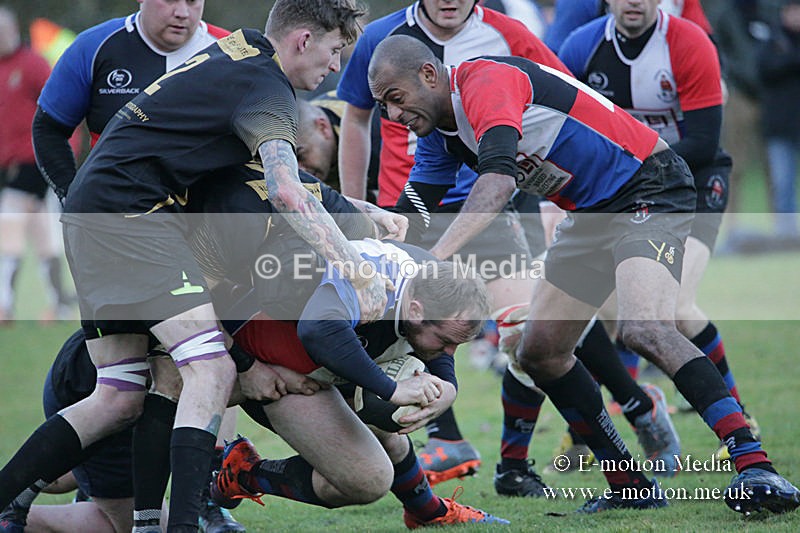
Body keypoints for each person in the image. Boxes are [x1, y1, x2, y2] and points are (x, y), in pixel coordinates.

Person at [0, 3, 400, 533]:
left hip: (92, 215)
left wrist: (363, 212)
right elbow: (285, 190)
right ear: (304, 40)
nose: (335, 66)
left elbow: (267, 178)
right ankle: (183, 526)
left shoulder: (239, 50)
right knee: (211, 369)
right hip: (133, 219)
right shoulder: (267, 87)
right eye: (334, 51)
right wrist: (359, 272)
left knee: (118, 395)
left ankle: (13, 504)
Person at [367, 34, 800, 515]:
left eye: (396, 98)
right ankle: (630, 486)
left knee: (644, 328)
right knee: (539, 352)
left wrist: (434, 259)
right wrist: (371, 253)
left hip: (647, 186)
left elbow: (498, 181)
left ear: (429, 75)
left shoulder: (484, 81)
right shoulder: (440, 134)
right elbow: (416, 212)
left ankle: (754, 463)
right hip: (590, 214)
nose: (393, 115)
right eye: (383, 106)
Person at [337, 0, 574, 488]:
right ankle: (445, 440)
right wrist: (356, 212)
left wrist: (552, 196)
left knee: (525, 332)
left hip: (491, 203)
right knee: (408, 327)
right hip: (413, 207)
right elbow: (356, 121)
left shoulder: (510, 35)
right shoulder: (379, 38)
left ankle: (515, 463)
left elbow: (561, 103)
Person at [26, 2, 244, 531]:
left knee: (209, 359)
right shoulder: (95, 48)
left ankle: (203, 502)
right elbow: (48, 128)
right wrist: (77, 199)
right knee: (127, 381)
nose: (183, 11)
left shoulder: (228, 50)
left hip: (198, 242)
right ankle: (86, 486)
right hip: (118, 237)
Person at [559, 0, 761, 463]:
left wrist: (627, 166)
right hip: (622, 189)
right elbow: (567, 128)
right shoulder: (581, 47)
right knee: (609, 308)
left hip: (694, 181)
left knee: (674, 305)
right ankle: (627, 410)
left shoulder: (690, 43)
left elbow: (704, 142)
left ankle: (738, 420)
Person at [0, 5, 73, 325]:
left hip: (34, 162)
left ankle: (4, 304)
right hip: (10, 166)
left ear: (14, 30)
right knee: (44, 237)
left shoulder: (32, 65)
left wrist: (61, 157)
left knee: (9, 222)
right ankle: (59, 305)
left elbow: (61, 110)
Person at [758, 0, 800, 241]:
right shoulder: (772, 38)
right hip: (779, 125)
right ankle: (786, 235)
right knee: (782, 182)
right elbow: (764, 68)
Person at [544, 0, 712, 53]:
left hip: (668, 86)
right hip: (605, 93)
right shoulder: (578, 4)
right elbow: (556, 65)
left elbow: (705, 40)